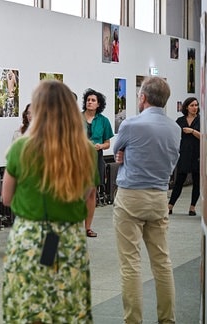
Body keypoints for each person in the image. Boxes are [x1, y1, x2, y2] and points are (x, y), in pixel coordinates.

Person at [1, 80, 97, 323]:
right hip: (68, 236)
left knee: (28, 300)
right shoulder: (85, 150)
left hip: (29, 236)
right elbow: (86, 194)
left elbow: (6, 197)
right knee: (67, 302)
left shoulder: (21, 147)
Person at [113, 76, 180, 324]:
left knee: (130, 263)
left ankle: (133, 321)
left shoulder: (131, 125)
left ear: (142, 97)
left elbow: (116, 150)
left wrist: (124, 155)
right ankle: (167, 319)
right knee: (162, 262)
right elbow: (173, 161)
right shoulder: (174, 128)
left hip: (131, 196)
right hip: (159, 196)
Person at [81, 88, 113, 237]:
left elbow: (108, 143)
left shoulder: (103, 121)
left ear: (98, 104)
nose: (90, 102)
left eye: (93, 100)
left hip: (95, 158)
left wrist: (101, 146)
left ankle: (88, 227)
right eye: (88, 100)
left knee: (92, 192)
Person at [168, 97, 200, 216]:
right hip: (184, 153)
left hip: (198, 154)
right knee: (179, 181)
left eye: (196, 105)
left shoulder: (201, 120)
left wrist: (192, 131)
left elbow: (204, 137)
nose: (194, 108)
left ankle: (192, 207)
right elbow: (173, 135)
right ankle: (170, 206)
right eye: (192, 105)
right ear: (186, 107)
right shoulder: (180, 120)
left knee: (197, 182)